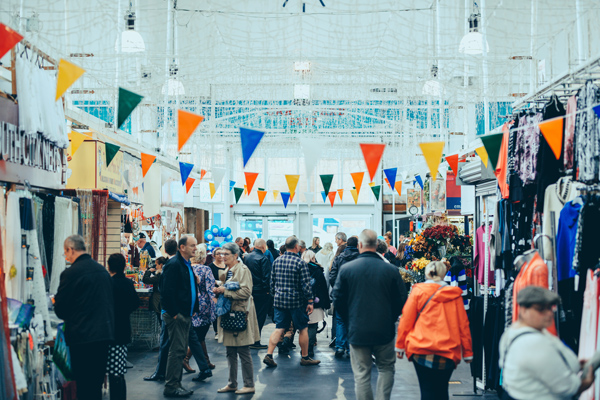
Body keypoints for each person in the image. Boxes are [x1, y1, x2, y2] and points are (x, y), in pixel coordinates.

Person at [333, 229, 407, 400]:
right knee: (386, 368)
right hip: (384, 329)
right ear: (378, 246)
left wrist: (349, 320)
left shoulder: (347, 269)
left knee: (361, 374)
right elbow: (401, 301)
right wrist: (390, 317)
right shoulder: (391, 271)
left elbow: (338, 300)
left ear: (359, 245)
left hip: (357, 329)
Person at [499, 286, 594, 400]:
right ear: (523, 310)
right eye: (541, 309)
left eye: (550, 308)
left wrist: (574, 364)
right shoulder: (534, 343)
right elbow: (566, 386)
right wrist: (586, 382)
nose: (549, 313)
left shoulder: (514, 332)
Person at [396, 261, 473, 400]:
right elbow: (463, 324)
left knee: (426, 391)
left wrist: (400, 346)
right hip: (447, 350)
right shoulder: (454, 295)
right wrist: (467, 352)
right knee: (442, 390)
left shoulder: (418, 292)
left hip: (420, 348)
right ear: (444, 274)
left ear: (427, 273)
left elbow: (406, 319)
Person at [54, 235, 114, 400]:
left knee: (82, 384)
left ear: (71, 250)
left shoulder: (71, 273)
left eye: (65, 252)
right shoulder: (102, 271)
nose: (66, 256)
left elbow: (61, 309)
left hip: (82, 336)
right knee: (95, 384)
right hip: (103, 335)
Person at [263, 236, 320, 367]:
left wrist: (275, 295)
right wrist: (310, 301)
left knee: (279, 328)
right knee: (303, 328)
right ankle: (305, 357)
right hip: (297, 302)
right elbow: (306, 285)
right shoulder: (300, 263)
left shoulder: (277, 261)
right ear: (296, 247)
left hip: (279, 301)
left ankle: (269, 354)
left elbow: (272, 283)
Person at [213, 242, 260, 395]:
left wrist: (224, 291)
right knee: (230, 351)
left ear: (235, 255)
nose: (222, 256)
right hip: (230, 314)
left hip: (240, 314)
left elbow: (246, 292)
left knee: (243, 350)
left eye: (226, 254)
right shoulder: (229, 270)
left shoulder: (243, 270)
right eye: (221, 254)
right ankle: (232, 383)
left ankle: (249, 384)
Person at [159, 236, 199, 398]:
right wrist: (175, 313)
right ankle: (171, 386)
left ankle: (175, 384)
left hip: (185, 313)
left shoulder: (185, 264)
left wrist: (193, 308)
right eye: (192, 246)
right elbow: (166, 290)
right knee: (177, 351)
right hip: (177, 315)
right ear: (182, 247)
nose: (195, 248)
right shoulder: (174, 264)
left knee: (180, 350)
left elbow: (189, 287)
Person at [106, 254, 140, 400]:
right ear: (124, 266)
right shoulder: (127, 283)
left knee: (111, 371)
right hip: (123, 328)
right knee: (118, 371)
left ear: (109, 267)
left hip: (108, 330)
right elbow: (135, 303)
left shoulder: (108, 283)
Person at [144, 239, 177, 382]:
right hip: (171, 310)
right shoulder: (175, 266)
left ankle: (164, 374)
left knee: (167, 338)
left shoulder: (163, 272)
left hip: (166, 309)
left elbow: (148, 281)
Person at [329, 235, 360, 357]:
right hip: (356, 295)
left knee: (340, 321)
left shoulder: (339, 258)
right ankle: (351, 347)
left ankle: (340, 347)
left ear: (347, 245)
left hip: (341, 294)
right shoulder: (360, 258)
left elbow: (332, 276)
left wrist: (337, 287)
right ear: (357, 245)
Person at [189, 249, 216, 381]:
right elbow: (210, 289)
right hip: (203, 303)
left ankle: (205, 362)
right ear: (203, 257)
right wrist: (215, 305)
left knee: (197, 333)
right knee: (199, 335)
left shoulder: (187, 268)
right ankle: (186, 358)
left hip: (190, 303)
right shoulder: (206, 270)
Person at [244, 239, 272, 349]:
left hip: (249, 290)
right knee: (260, 317)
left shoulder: (246, 257)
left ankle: (249, 338)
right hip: (261, 292)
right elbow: (266, 277)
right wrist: (268, 290)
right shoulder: (263, 259)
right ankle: (256, 340)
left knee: (250, 316)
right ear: (263, 247)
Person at [302, 250, 330, 358]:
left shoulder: (299, 268)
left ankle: (303, 350)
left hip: (302, 302)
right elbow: (323, 288)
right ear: (313, 258)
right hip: (316, 303)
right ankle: (309, 350)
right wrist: (326, 304)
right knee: (313, 326)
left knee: (303, 327)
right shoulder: (318, 270)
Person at [208, 248, 227, 339]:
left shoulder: (227, 265)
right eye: (218, 253)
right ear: (214, 255)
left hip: (225, 290)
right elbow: (210, 279)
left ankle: (225, 330)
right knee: (216, 311)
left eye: (222, 254)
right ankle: (217, 331)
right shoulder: (211, 266)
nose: (220, 255)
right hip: (215, 291)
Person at [143, 256, 167, 324]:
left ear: (161, 265)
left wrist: (148, 271)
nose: (155, 267)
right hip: (161, 301)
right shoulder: (165, 274)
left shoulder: (159, 276)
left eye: (156, 265)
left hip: (158, 301)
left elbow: (146, 280)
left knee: (161, 321)